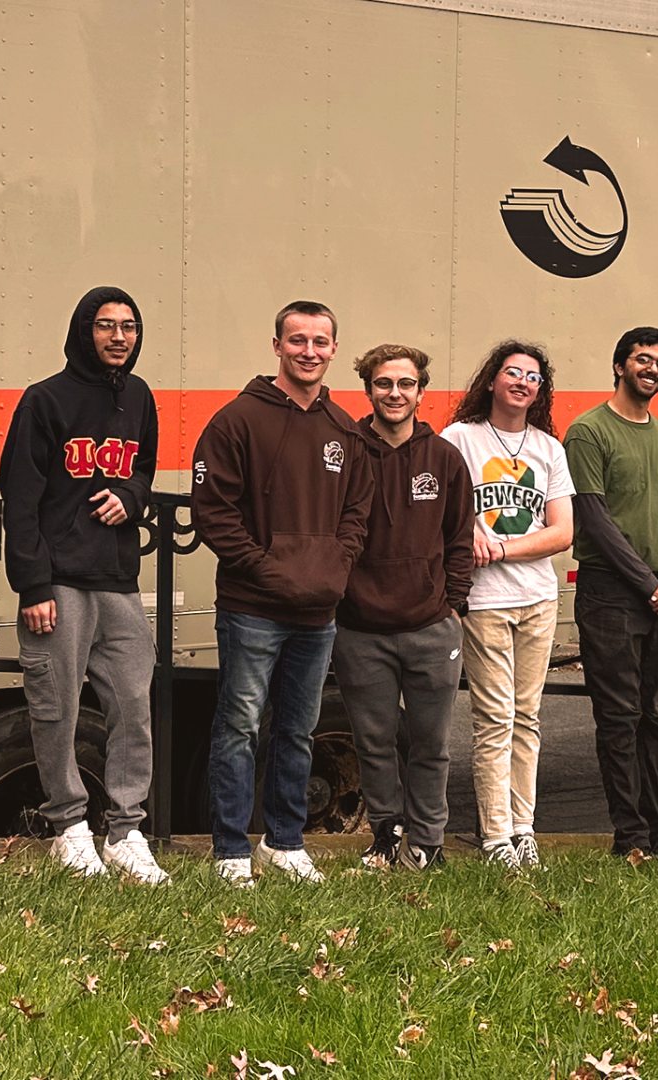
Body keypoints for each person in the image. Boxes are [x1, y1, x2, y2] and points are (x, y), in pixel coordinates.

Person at [193, 300, 373, 886]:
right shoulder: (236, 421)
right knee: (240, 726)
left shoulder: (345, 430)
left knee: (298, 729)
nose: (309, 352)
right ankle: (229, 850)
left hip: (318, 612)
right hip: (252, 608)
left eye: (321, 342)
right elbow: (213, 513)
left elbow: (357, 512)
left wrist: (335, 567)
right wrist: (265, 570)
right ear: (276, 346)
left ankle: (285, 842)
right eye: (298, 340)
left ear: (334, 351)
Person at [2, 286, 165, 883]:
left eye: (128, 326)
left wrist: (131, 496)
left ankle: (125, 832)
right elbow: (19, 500)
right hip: (59, 583)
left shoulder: (140, 397)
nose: (119, 337)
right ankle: (69, 828)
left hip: (119, 579)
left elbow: (143, 467)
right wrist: (33, 585)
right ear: (83, 331)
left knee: (133, 708)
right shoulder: (45, 400)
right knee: (58, 709)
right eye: (105, 326)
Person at [333, 344, 473, 871]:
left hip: (431, 627)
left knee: (430, 745)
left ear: (420, 390)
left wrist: (454, 604)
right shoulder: (347, 451)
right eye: (383, 384)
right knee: (373, 742)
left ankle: (429, 843)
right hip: (360, 629)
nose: (394, 393)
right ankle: (386, 836)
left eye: (405, 384)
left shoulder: (443, 459)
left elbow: (461, 538)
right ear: (368, 389)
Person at [441, 341, 573, 869]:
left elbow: (562, 532)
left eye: (533, 377)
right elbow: (447, 511)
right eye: (512, 373)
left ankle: (525, 830)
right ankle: (495, 836)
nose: (522, 382)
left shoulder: (548, 449)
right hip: (486, 602)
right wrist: (471, 531)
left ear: (541, 390)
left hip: (538, 598)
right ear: (492, 380)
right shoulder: (460, 439)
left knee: (529, 718)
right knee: (494, 718)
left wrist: (497, 548)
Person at [564, 326, 658, 859]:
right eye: (643, 360)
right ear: (620, 365)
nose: (653, 370)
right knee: (618, 719)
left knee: (653, 716)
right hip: (612, 594)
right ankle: (631, 836)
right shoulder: (588, 432)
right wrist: (650, 585)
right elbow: (594, 521)